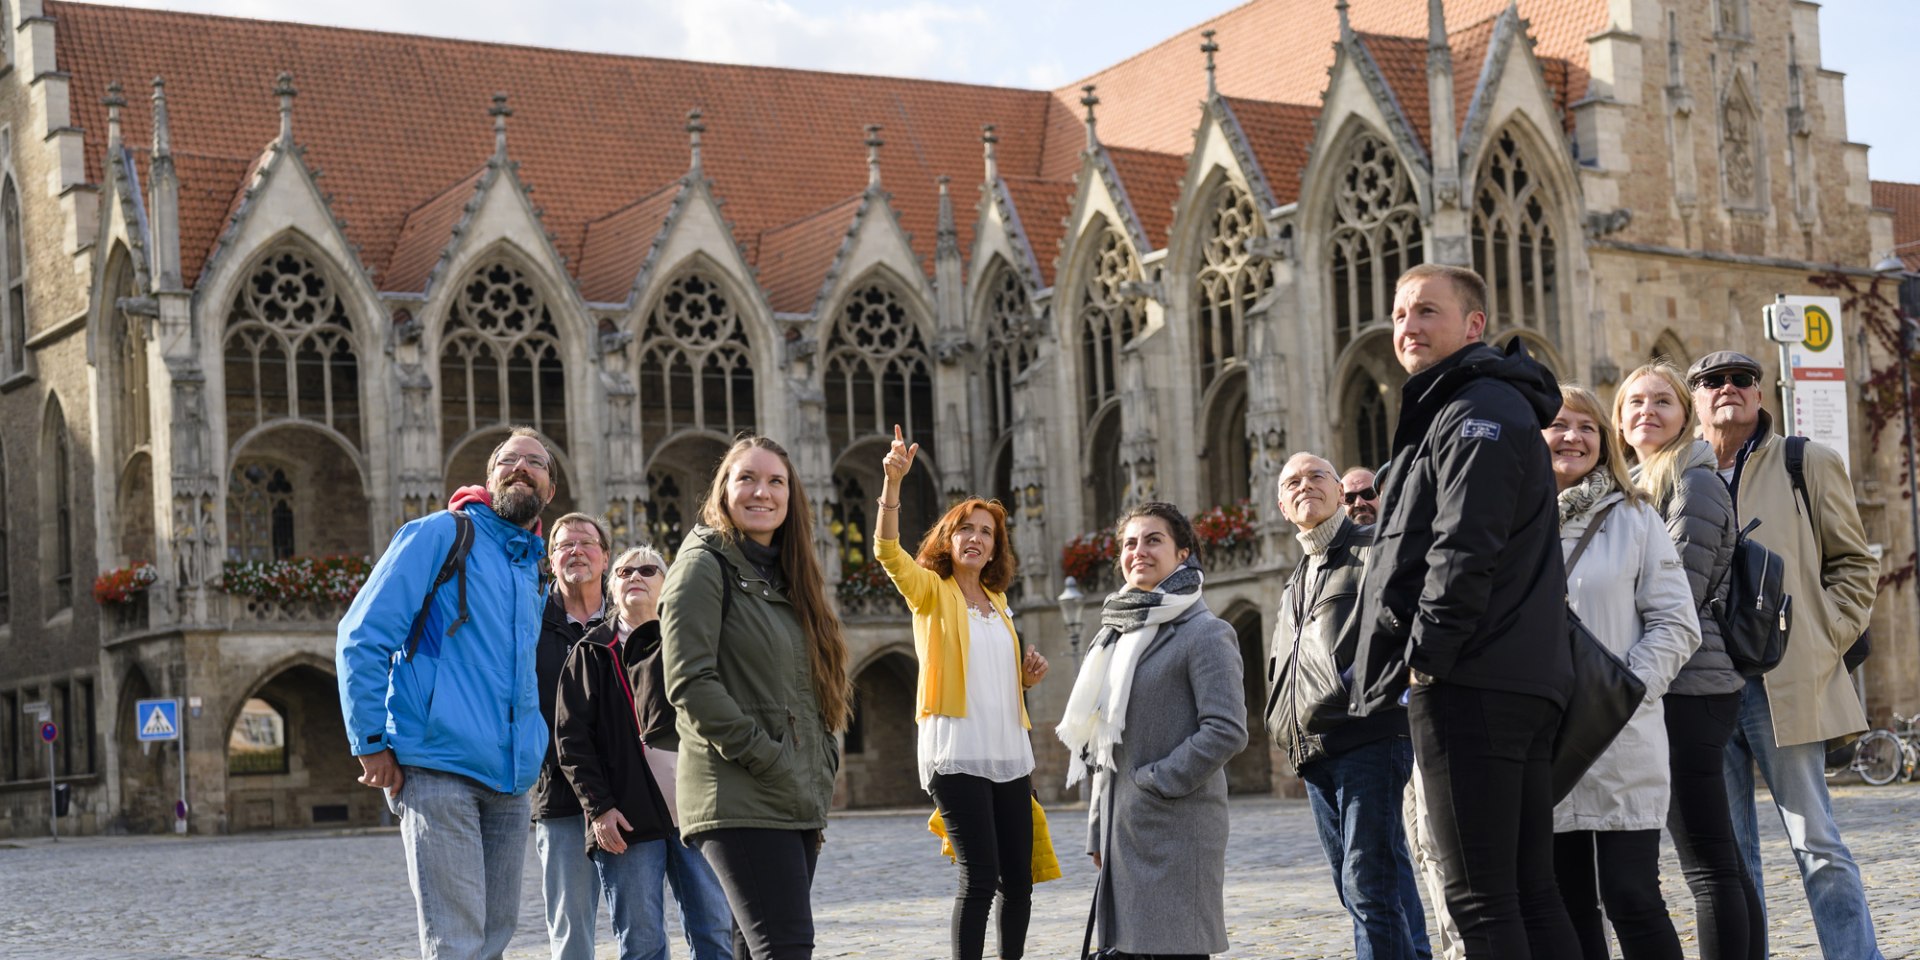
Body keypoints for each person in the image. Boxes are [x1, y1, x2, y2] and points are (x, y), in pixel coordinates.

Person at [1349, 263, 1580, 959]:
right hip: (1513, 673)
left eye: (1427, 312)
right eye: (1398, 315)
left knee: (1481, 902)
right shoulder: (1479, 403)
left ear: (1474, 325)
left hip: (1474, 678)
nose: (1408, 327)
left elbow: (1462, 546)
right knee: (1529, 892)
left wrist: (1426, 660)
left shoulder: (1476, 407)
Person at [1690, 351, 1884, 960]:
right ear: (1695, 398)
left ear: (1760, 390)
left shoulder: (1807, 462)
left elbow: (1855, 565)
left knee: (1817, 843)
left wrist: (1823, 637)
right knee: (1731, 854)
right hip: (1702, 685)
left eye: (1741, 379)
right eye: (1712, 381)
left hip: (1784, 679)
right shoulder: (1676, 471)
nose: (1728, 389)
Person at [336, 427, 555, 960]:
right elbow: (361, 636)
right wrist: (370, 740)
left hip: (509, 782)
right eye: (509, 459)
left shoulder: (534, 567)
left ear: (550, 491)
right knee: (456, 943)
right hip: (438, 769)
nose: (521, 467)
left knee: (493, 940)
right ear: (489, 476)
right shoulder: (441, 535)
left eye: (536, 462)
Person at [660, 435, 851, 960]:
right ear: (723, 488)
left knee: (753, 949)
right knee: (786, 947)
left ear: (792, 496)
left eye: (775, 481)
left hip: (791, 794)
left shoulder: (787, 574)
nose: (760, 492)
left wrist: (821, 757)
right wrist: (765, 755)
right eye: (746, 477)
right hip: (740, 792)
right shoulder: (703, 564)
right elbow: (689, 682)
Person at [872, 425, 1049, 960]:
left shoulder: (999, 601)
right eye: (965, 529)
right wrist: (892, 484)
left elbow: (987, 670)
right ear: (948, 540)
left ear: (996, 546)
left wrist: (1025, 677)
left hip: (1010, 753)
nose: (976, 538)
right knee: (980, 877)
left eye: (987, 532)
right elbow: (886, 552)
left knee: (1019, 881)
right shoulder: (931, 591)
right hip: (957, 752)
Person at [1545, 385, 1700, 960]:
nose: (1573, 437)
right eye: (1560, 425)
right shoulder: (1508, 522)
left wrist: (1624, 689)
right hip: (1541, 738)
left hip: (1618, 734)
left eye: (1587, 427)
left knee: (1632, 895)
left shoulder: (1634, 517)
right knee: (1563, 904)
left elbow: (1677, 623)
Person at [1616, 360, 1762, 960]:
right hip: (1672, 680)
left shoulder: (1693, 477)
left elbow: (1682, 586)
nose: (1646, 411)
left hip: (1692, 683)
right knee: (1715, 854)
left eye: (1661, 402)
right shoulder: (1639, 480)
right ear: (1619, 421)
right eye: (1634, 404)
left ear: (1683, 418)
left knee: (1705, 862)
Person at [1057, 501, 1248, 960]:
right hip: (1123, 833)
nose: (1138, 551)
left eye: (1153, 540)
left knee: (1175, 950)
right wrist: (1098, 827)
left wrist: (1153, 783)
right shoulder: (1116, 634)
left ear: (1183, 553)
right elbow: (1105, 743)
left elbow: (1226, 729)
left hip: (1177, 827)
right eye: (1129, 543)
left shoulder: (1206, 632)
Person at [1268, 453, 1428, 960]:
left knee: (1367, 883)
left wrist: (1372, 688)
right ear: (1282, 505)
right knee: (1355, 885)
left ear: (1340, 492)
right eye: (1293, 482)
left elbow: (1415, 620)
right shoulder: (1298, 575)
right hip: (1314, 747)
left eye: (1317, 476)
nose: (1305, 486)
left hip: (1369, 735)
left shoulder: (1371, 548)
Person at [556, 544, 733, 960]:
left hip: (697, 814)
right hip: (627, 819)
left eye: (648, 570)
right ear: (610, 587)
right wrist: (599, 808)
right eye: (624, 571)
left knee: (715, 936)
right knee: (642, 945)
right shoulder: (589, 651)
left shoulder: (694, 641)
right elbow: (571, 739)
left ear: (667, 584)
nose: (635, 576)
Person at [533, 513, 612, 960]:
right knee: (570, 929)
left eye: (586, 543)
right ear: (550, 560)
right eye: (564, 545)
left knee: (643, 924)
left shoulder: (628, 620)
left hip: (629, 793)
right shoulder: (528, 624)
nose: (575, 551)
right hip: (561, 797)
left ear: (604, 556)